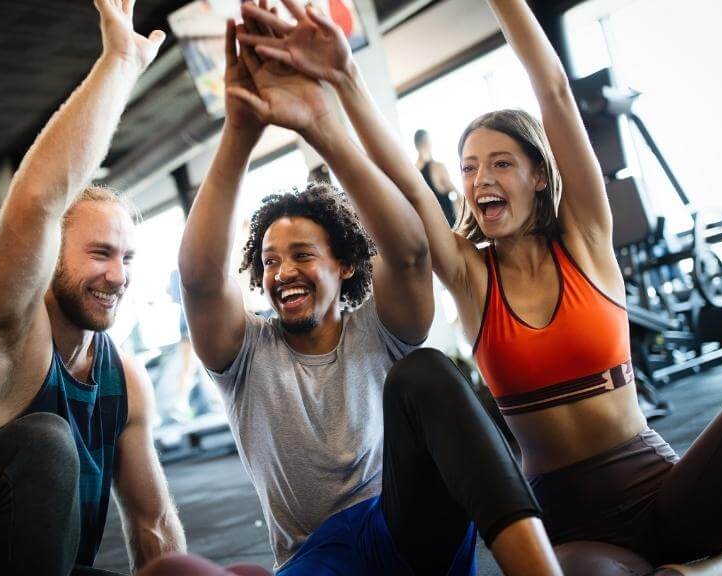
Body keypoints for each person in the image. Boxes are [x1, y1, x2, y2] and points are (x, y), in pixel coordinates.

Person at [235, 0, 722, 573]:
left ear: (538, 173)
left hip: (664, 489)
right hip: (576, 529)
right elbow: (406, 183)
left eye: (501, 163)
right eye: (470, 167)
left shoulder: (587, 240)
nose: (481, 178)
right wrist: (345, 77)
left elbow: (552, 89)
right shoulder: (469, 276)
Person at [177, 11, 561, 575]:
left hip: (405, 529)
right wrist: (239, 132)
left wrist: (321, 126)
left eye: (303, 255)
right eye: (270, 261)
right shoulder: (246, 355)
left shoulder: (379, 329)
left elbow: (408, 252)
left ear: (348, 265)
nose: (282, 271)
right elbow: (201, 281)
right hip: (318, 558)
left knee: (427, 371)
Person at [0, 1, 185, 574]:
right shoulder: (6, 338)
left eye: (127, 258)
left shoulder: (123, 381)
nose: (117, 275)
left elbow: (153, 525)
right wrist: (119, 63)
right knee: (46, 440)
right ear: (46, 259)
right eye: (98, 253)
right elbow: (38, 200)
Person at [414, 129, 460, 228]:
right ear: (425, 143)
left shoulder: (413, 173)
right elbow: (458, 195)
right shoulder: (437, 168)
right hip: (449, 228)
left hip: (430, 231)